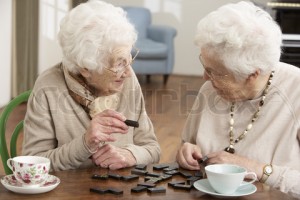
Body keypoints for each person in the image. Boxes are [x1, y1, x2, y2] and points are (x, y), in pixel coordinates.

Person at [176, 1, 300, 198]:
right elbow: (188, 146)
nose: (205, 78)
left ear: (252, 74)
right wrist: (186, 153)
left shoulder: (296, 91)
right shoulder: (210, 90)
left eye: (215, 72)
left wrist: (256, 168)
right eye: (205, 66)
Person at [22, 0, 160, 171]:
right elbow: (31, 164)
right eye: (118, 64)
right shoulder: (48, 87)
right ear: (85, 68)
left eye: (128, 59)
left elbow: (152, 149)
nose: (128, 72)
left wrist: (130, 155)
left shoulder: (128, 79)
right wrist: (84, 143)